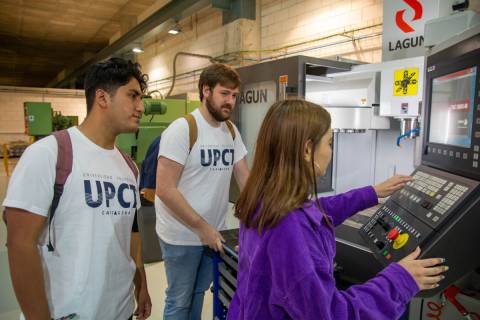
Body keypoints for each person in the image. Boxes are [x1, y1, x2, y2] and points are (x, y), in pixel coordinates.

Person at [228, 99, 448, 320]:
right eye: (329, 142)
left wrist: (371, 192)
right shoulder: (291, 229)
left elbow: (315, 210)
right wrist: (400, 280)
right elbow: (332, 315)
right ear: (306, 150)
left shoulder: (263, 200)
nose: (330, 151)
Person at [4, 57, 152, 320]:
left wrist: (141, 285)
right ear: (102, 97)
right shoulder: (49, 154)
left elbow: (131, 231)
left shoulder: (129, 167)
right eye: (133, 96)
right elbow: (20, 245)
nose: (141, 107)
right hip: (68, 313)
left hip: (120, 310)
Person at [155, 63, 249, 319]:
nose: (230, 101)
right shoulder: (182, 129)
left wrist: (261, 214)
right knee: (179, 299)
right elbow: (164, 189)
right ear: (206, 91)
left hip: (213, 232)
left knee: (198, 293)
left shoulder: (230, 131)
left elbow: (244, 177)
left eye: (234, 95)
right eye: (224, 94)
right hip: (181, 235)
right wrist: (200, 227)